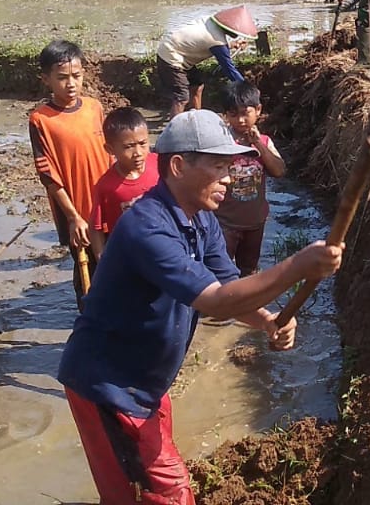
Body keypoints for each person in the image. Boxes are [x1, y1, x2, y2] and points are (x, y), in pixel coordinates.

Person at [56, 110, 343, 504]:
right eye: (219, 166)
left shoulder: (200, 219)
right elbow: (216, 304)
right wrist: (296, 266)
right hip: (109, 387)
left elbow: (228, 284)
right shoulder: (148, 227)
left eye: (231, 165)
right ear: (177, 165)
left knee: (145, 486)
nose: (229, 177)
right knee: (159, 493)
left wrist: (267, 320)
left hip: (146, 384)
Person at [29, 40, 112, 309]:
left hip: (108, 208)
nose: (71, 84)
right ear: (46, 79)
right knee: (87, 270)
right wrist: (74, 217)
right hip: (77, 213)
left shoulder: (94, 107)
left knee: (116, 266)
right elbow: (49, 176)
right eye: (62, 78)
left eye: (76, 76)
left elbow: (110, 156)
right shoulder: (41, 120)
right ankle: (89, 325)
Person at [216, 82, 285, 281]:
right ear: (225, 116)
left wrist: (257, 145)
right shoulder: (220, 142)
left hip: (255, 222)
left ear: (258, 110)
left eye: (246, 113)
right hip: (224, 222)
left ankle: (246, 309)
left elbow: (279, 171)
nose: (241, 120)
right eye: (233, 114)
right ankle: (221, 311)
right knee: (221, 273)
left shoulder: (264, 141)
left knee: (249, 272)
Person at [156, 5, 259, 117]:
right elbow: (229, 69)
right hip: (171, 57)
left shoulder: (209, 22)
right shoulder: (217, 41)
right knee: (181, 97)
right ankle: (174, 129)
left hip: (175, 50)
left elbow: (206, 41)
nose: (237, 34)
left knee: (197, 86)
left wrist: (231, 45)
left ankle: (197, 118)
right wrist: (247, 89)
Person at [90, 107, 159, 259]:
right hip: (129, 255)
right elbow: (96, 228)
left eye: (143, 143)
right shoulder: (107, 186)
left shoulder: (159, 165)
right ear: (110, 149)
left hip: (164, 248)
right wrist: (102, 260)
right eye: (128, 147)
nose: (138, 153)